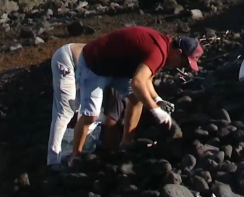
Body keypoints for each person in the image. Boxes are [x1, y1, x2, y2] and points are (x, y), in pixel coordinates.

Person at [69, 26, 203, 163]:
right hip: (94, 65)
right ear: (178, 52)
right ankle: (75, 157)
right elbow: (137, 83)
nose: (181, 67)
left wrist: (157, 99)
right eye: (184, 63)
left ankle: (126, 144)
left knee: (137, 98)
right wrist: (155, 109)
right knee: (90, 115)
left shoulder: (164, 47)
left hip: (116, 69)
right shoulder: (158, 53)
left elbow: (146, 79)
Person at [47, 42, 86, 168]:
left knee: (81, 107)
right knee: (65, 111)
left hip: (77, 65)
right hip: (66, 60)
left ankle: (74, 149)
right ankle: (54, 160)